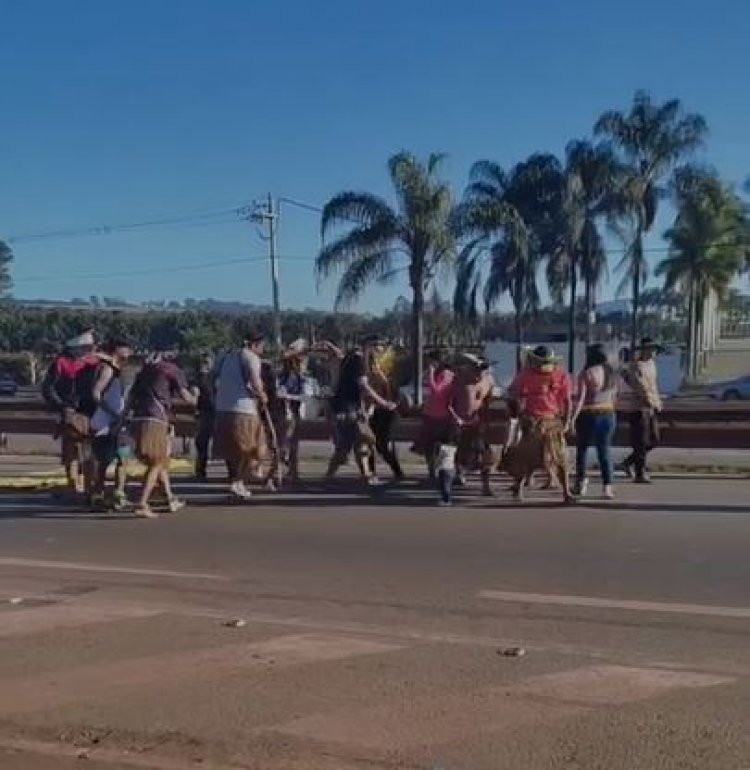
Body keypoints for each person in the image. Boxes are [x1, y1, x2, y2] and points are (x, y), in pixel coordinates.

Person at [128, 352, 196, 517]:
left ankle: (169, 498)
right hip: (156, 418)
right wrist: (196, 396)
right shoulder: (172, 370)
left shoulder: (144, 372)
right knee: (157, 462)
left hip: (138, 417)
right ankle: (142, 503)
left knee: (160, 461)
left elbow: (131, 396)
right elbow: (187, 398)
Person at [503, 345, 573, 503]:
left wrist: (568, 421)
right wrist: (517, 405)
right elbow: (513, 392)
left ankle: (567, 492)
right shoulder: (525, 375)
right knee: (525, 457)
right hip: (531, 421)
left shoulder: (562, 375)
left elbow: (567, 401)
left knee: (560, 458)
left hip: (552, 421)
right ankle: (518, 488)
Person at [324, 344, 397, 486]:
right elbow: (364, 386)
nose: (376, 355)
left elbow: (357, 390)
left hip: (347, 409)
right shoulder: (358, 361)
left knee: (360, 444)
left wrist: (363, 408)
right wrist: (383, 402)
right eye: (375, 350)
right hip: (349, 410)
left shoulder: (349, 360)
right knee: (348, 446)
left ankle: (365, 475)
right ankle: (330, 476)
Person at [41, 331, 99, 498]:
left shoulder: (94, 363)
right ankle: (73, 484)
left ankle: (88, 485)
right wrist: (61, 405)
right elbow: (48, 388)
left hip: (89, 411)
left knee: (88, 450)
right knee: (71, 449)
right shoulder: (61, 363)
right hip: (70, 411)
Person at [213, 332, 267, 501]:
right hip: (243, 409)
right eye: (262, 346)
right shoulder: (251, 357)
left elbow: (210, 377)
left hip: (223, 408)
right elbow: (255, 380)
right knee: (255, 449)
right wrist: (262, 394)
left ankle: (238, 480)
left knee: (236, 451)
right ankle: (238, 481)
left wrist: (216, 396)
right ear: (255, 345)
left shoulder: (224, 356)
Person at [89, 339, 133, 511]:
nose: (129, 352)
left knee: (118, 457)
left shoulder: (115, 370)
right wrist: (112, 413)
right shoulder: (108, 370)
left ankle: (113, 494)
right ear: (116, 350)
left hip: (113, 422)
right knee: (110, 459)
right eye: (126, 348)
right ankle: (105, 494)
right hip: (108, 423)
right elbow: (96, 393)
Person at [570, 344, 618, 500]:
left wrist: (572, 419)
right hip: (608, 413)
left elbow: (580, 399)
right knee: (604, 451)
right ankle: (607, 487)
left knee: (582, 450)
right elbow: (616, 396)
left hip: (588, 414)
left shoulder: (587, 374)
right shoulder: (612, 373)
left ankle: (581, 482)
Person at [450, 354, 496, 497]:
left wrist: (488, 419)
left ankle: (486, 486)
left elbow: (490, 402)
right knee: (460, 453)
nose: (479, 373)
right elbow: (449, 403)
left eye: (482, 370)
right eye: (476, 369)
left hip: (478, 424)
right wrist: (456, 418)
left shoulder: (488, 381)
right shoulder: (458, 381)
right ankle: (459, 473)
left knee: (485, 455)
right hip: (460, 423)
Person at [620, 337, 663, 484]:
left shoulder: (651, 364)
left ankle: (628, 462)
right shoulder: (636, 366)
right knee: (641, 441)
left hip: (651, 405)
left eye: (654, 349)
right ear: (643, 350)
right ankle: (640, 472)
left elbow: (653, 385)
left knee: (654, 439)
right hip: (638, 407)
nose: (652, 352)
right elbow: (640, 387)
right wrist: (650, 401)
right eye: (650, 349)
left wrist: (657, 401)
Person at [366, 338, 405, 481]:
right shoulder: (370, 366)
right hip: (375, 409)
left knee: (382, 445)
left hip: (387, 411)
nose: (377, 348)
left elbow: (386, 382)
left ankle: (398, 471)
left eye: (379, 346)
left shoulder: (388, 369)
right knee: (369, 442)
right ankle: (371, 473)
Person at [417, 352, 455, 481]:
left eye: (431, 362)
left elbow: (437, 391)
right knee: (428, 445)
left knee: (442, 445)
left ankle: (443, 470)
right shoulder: (436, 373)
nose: (429, 365)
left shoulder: (446, 374)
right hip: (429, 414)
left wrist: (431, 374)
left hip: (441, 416)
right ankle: (431, 471)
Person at [278, 339, 311, 482]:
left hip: (291, 411)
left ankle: (293, 471)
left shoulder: (295, 376)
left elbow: (304, 396)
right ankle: (291, 470)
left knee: (290, 444)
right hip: (288, 412)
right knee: (288, 443)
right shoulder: (289, 375)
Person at [191, 353, 216, 480]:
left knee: (202, 442)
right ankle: (200, 469)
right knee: (202, 442)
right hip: (209, 411)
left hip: (208, 412)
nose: (204, 365)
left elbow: (195, 395)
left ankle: (200, 470)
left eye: (206, 362)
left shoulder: (200, 378)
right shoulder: (212, 378)